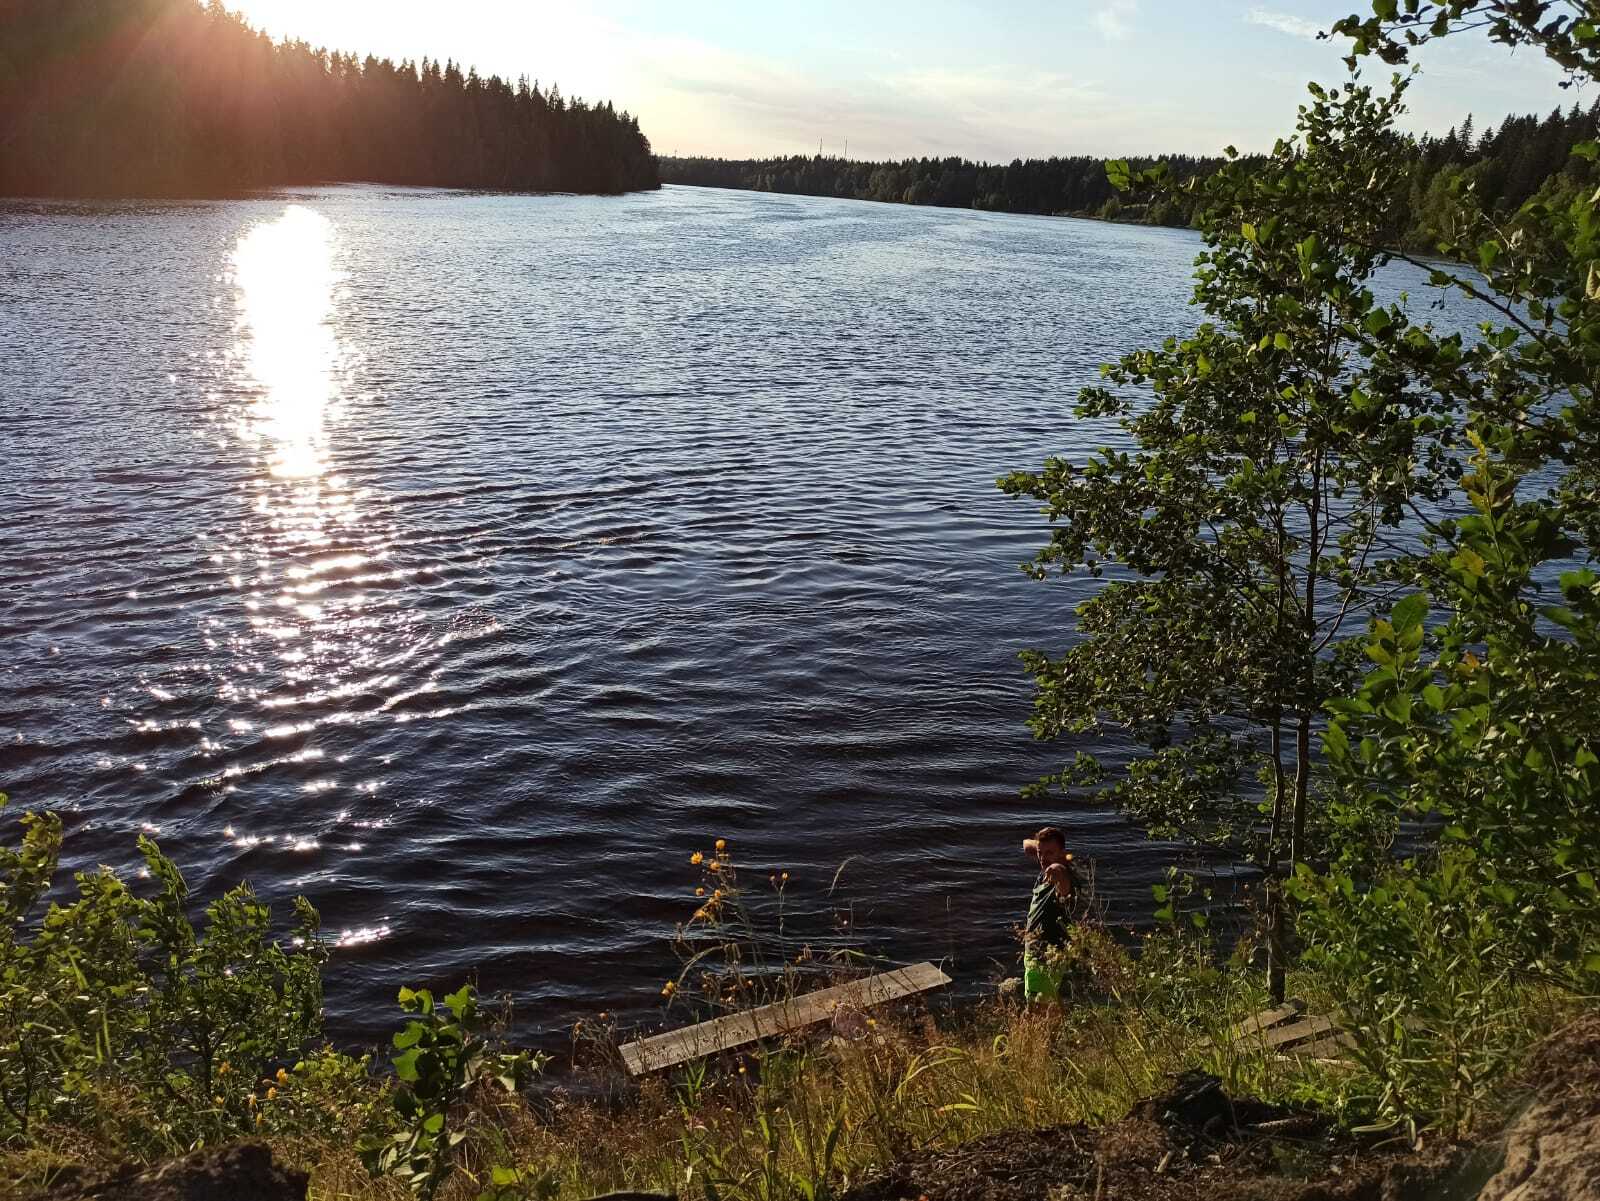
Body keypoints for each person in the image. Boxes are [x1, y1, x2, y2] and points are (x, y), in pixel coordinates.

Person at [1020, 826, 1079, 1004]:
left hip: (1045, 956)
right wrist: (1042, 848)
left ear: (1062, 853)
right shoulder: (1045, 861)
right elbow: (1026, 845)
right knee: (1049, 1004)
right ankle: (1055, 1031)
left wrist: (1056, 867)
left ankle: (1040, 1032)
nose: (1043, 858)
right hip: (1037, 954)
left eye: (1049, 853)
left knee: (1037, 1008)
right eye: (1040, 853)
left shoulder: (1063, 874)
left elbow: (1064, 884)